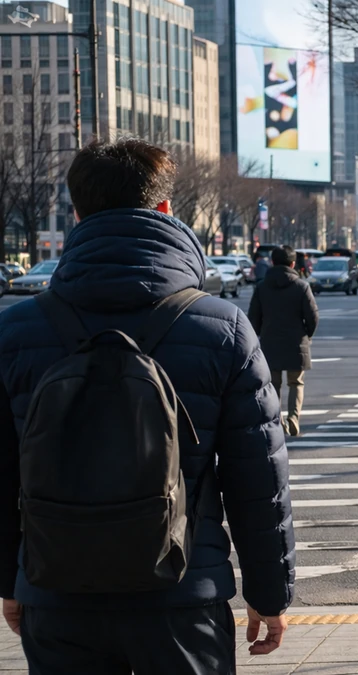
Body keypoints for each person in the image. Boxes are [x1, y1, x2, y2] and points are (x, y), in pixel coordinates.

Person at [0, 139, 294, 672]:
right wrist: (269, 593)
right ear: (163, 209)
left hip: (57, 590)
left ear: (77, 212)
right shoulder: (221, 328)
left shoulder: (16, 329)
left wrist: (10, 580)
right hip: (183, 592)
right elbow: (258, 478)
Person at [248, 245, 320, 438]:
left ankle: (277, 420)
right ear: (293, 263)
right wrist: (307, 335)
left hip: (270, 342)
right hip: (297, 341)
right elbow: (312, 316)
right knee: (296, 382)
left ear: (273, 262)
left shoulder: (262, 287)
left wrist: (258, 337)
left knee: (273, 384)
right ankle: (294, 419)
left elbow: (253, 317)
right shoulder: (301, 286)